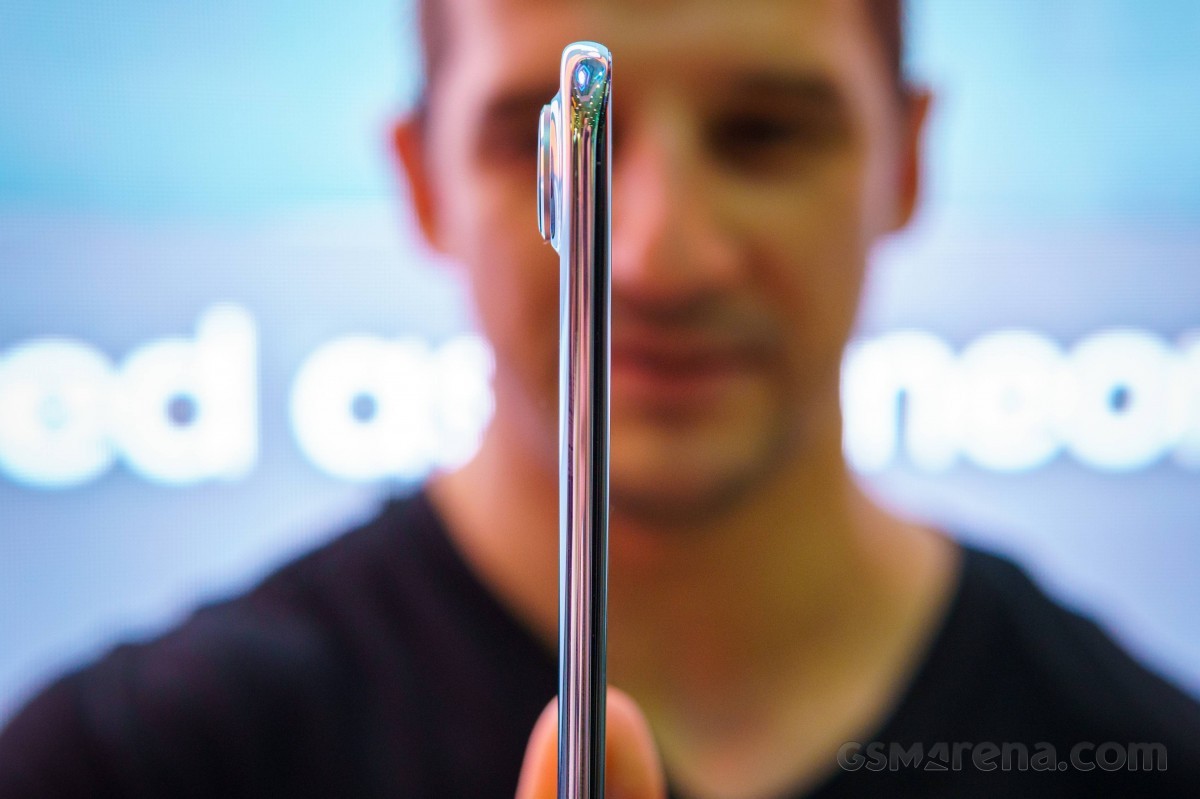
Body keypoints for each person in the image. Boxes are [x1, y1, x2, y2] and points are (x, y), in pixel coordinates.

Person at [2, 0, 1198, 796]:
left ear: (910, 157)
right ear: (422, 180)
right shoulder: (127, 768)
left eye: (763, 133)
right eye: (566, 146)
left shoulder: (1143, 756)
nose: (658, 256)